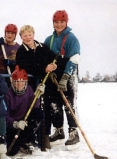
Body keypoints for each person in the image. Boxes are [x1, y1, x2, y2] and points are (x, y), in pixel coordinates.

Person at [43, 10, 80, 149]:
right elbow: (45, 56)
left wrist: (65, 77)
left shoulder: (71, 38)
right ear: (53, 23)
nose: (59, 25)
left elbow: (75, 58)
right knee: (54, 104)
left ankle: (73, 132)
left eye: (61, 22)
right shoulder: (49, 39)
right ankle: (59, 131)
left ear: (66, 23)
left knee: (68, 103)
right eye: (56, 22)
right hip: (53, 76)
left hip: (67, 75)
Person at [15, 25, 57, 149]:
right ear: (21, 37)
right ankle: (28, 137)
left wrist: (53, 66)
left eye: (30, 35)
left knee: (46, 108)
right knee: (31, 109)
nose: (28, 38)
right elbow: (27, 67)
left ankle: (45, 136)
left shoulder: (42, 47)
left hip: (44, 84)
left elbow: (52, 58)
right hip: (30, 85)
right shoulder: (21, 51)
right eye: (25, 36)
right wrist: (44, 68)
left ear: (33, 34)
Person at [5, 66, 45, 156]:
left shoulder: (29, 90)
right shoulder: (7, 94)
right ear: (13, 82)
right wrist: (15, 123)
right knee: (11, 152)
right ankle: (19, 143)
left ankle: (26, 141)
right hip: (13, 126)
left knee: (39, 114)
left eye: (22, 81)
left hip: (25, 122)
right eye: (17, 82)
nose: (20, 84)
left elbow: (34, 107)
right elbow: (5, 115)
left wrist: (37, 95)